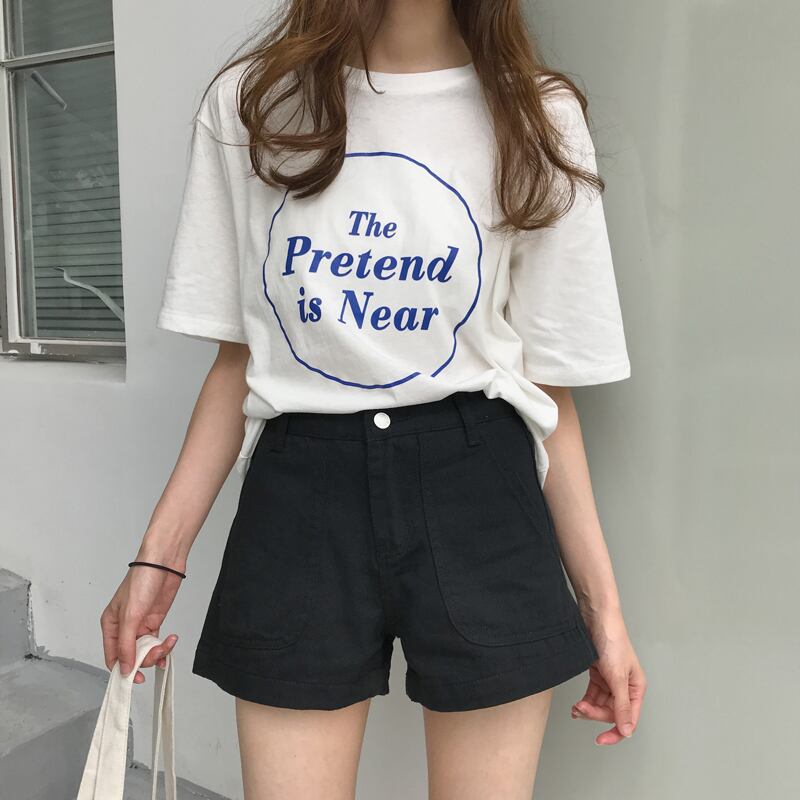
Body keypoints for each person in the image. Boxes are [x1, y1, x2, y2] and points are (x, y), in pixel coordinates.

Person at [101, 1, 647, 797]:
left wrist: (603, 611)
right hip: (301, 493)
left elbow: (546, 389)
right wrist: (160, 555)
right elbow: (240, 358)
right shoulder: (255, 104)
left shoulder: (536, 114)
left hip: (479, 490)